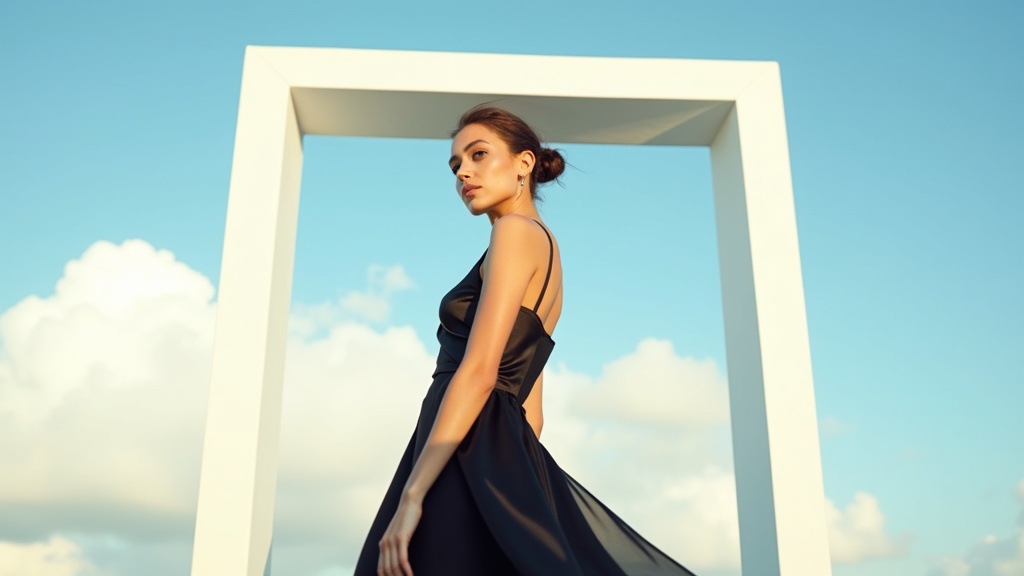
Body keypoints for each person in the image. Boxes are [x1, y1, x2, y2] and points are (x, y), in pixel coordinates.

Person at [355, 105, 696, 576]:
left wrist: (415, 494)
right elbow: (531, 410)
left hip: (461, 445)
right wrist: (509, 483)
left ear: (524, 163)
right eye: (456, 166)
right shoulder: (547, 249)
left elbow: (478, 372)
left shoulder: (514, 233)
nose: (464, 173)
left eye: (478, 155)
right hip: (492, 448)